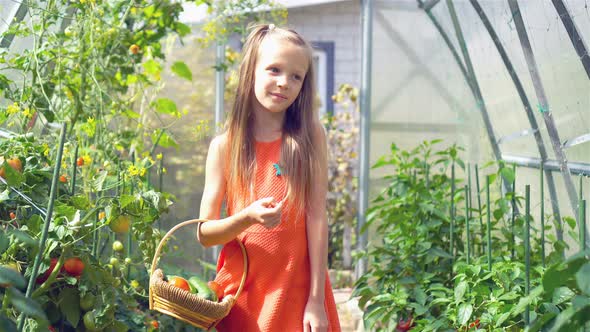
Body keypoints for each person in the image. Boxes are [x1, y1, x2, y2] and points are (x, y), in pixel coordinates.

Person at [197, 23, 341, 332]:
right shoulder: (225, 147)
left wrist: (316, 299)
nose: (284, 83)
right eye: (274, 70)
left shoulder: (310, 138)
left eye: (296, 76)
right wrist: (247, 217)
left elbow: (317, 217)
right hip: (243, 296)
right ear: (251, 71)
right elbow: (205, 232)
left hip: (298, 293)